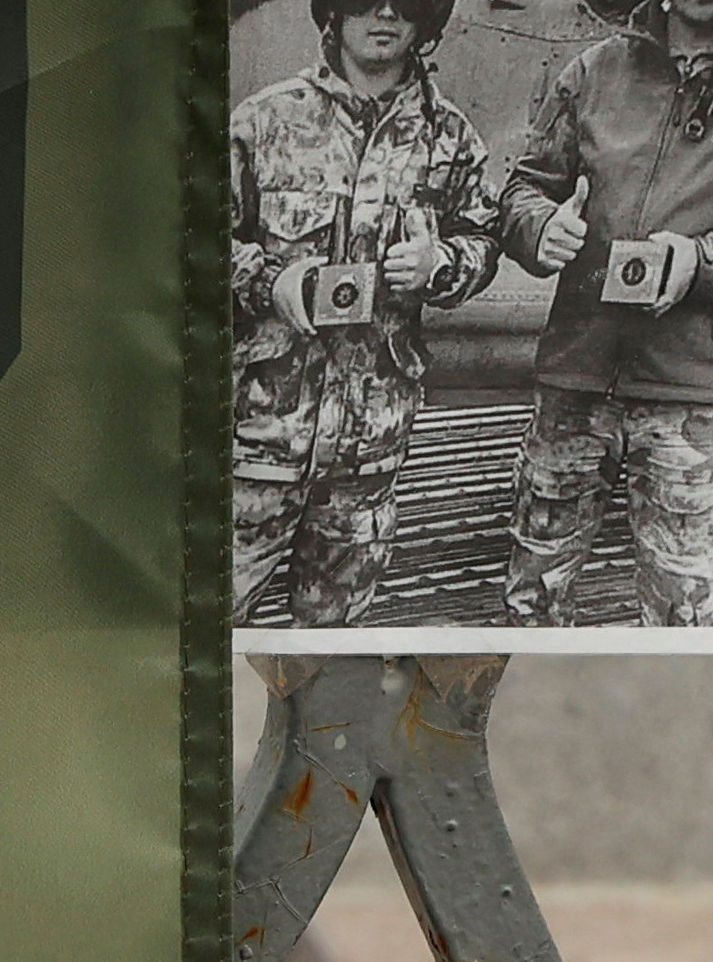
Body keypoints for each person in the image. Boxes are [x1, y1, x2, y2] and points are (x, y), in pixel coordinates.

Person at [498, 0, 713, 624]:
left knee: (678, 614)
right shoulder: (594, 72)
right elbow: (526, 187)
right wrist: (539, 227)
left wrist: (704, 262)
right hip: (575, 379)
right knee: (533, 597)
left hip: (692, 395)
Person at [231, 0, 504, 625]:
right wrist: (271, 283)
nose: (384, 13)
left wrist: (441, 264)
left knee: (332, 643)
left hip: (368, 450)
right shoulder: (267, 120)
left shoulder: (450, 137)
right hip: (259, 436)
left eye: (407, 1)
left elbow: (483, 242)